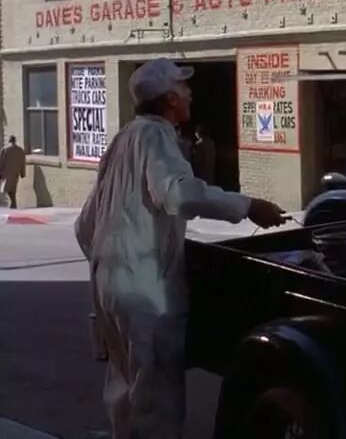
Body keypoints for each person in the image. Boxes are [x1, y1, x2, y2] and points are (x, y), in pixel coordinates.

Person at [73, 57, 287, 439]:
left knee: (125, 392)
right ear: (170, 98)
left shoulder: (123, 139)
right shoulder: (157, 137)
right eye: (184, 88)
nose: (190, 94)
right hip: (146, 291)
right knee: (155, 399)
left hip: (111, 287)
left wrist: (112, 267)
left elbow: (84, 224)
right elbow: (178, 195)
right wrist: (248, 206)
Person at [0, 135, 27, 208]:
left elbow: (1, 161)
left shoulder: (5, 149)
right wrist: (22, 172)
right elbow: (22, 162)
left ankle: (13, 202)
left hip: (6, 172)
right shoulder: (20, 150)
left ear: (9, 140)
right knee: (13, 188)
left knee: (7, 188)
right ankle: (13, 203)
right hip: (16, 172)